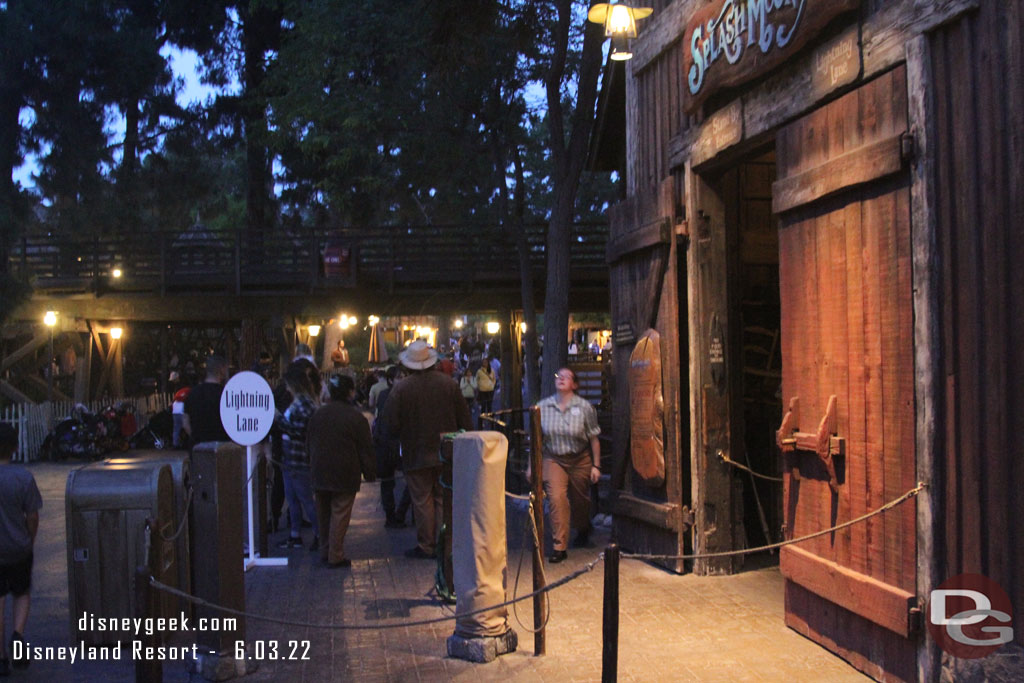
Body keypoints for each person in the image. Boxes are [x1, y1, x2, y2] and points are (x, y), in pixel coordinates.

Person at [381, 341, 471, 559]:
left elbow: (390, 423)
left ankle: (426, 544)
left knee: (422, 500)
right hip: (446, 451)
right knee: (442, 498)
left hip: (416, 451)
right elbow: (465, 419)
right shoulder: (448, 384)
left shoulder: (401, 389)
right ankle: (443, 543)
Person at [307, 374, 375, 568]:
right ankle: (335, 554)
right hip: (345, 472)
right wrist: (370, 472)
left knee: (323, 513)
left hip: (319, 470)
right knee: (340, 513)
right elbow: (365, 448)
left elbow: (308, 442)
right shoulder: (355, 418)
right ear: (350, 392)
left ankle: (324, 549)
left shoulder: (318, 415)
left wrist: (309, 465)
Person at [537, 368, 601, 564]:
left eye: (567, 377)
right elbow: (537, 439)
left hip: (579, 459)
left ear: (575, 384)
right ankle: (559, 546)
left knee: (580, 500)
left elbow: (594, 438)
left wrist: (596, 465)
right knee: (557, 498)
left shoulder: (585, 408)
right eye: (558, 376)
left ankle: (583, 527)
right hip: (553, 458)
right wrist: (534, 465)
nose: (561, 379)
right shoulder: (542, 407)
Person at [0, 424, 42, 674]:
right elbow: (33, 515)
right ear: (15, 448)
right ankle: (17, 634)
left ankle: (1, 658)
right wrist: (30, 538)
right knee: (21, 592)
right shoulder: (24, 478)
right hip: (19, 547)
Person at [273, 363, 320, 550]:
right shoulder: (303, 403)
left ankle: (318, 534)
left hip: (298, 459)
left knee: (305, 499)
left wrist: (278, 420)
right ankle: (295, 535)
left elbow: (298, 431)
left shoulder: (303, 404)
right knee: (293, 499)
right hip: (291, 458)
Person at [373, 366, 411, 528]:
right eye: (399, 377)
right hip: (394, 443)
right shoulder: (393, 396)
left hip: (389, 443)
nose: (402, 380)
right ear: (390, 380)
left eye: (404, 377)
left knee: (403, 480)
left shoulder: (384, 396)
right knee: (398, 480)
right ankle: (395, 514)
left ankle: (396, 513)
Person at [183, 355, 229, 444]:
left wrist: (195, 438)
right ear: (221, 369)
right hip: (222, 447)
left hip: (198, 447)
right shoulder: (226, 394)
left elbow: (185, 423)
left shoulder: (192, 393)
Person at [475, 362, 496, 426]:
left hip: (490, 390)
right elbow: (477, 379)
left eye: (485, 362)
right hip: (482, 390)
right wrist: (479, 387)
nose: (484, 364)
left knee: (489, 406)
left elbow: (494, 378)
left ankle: (490, 420)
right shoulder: (479, 371)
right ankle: (483, 420)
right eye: (483, 362)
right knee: (483, 406)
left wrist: (492, 385)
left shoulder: (491, 370)